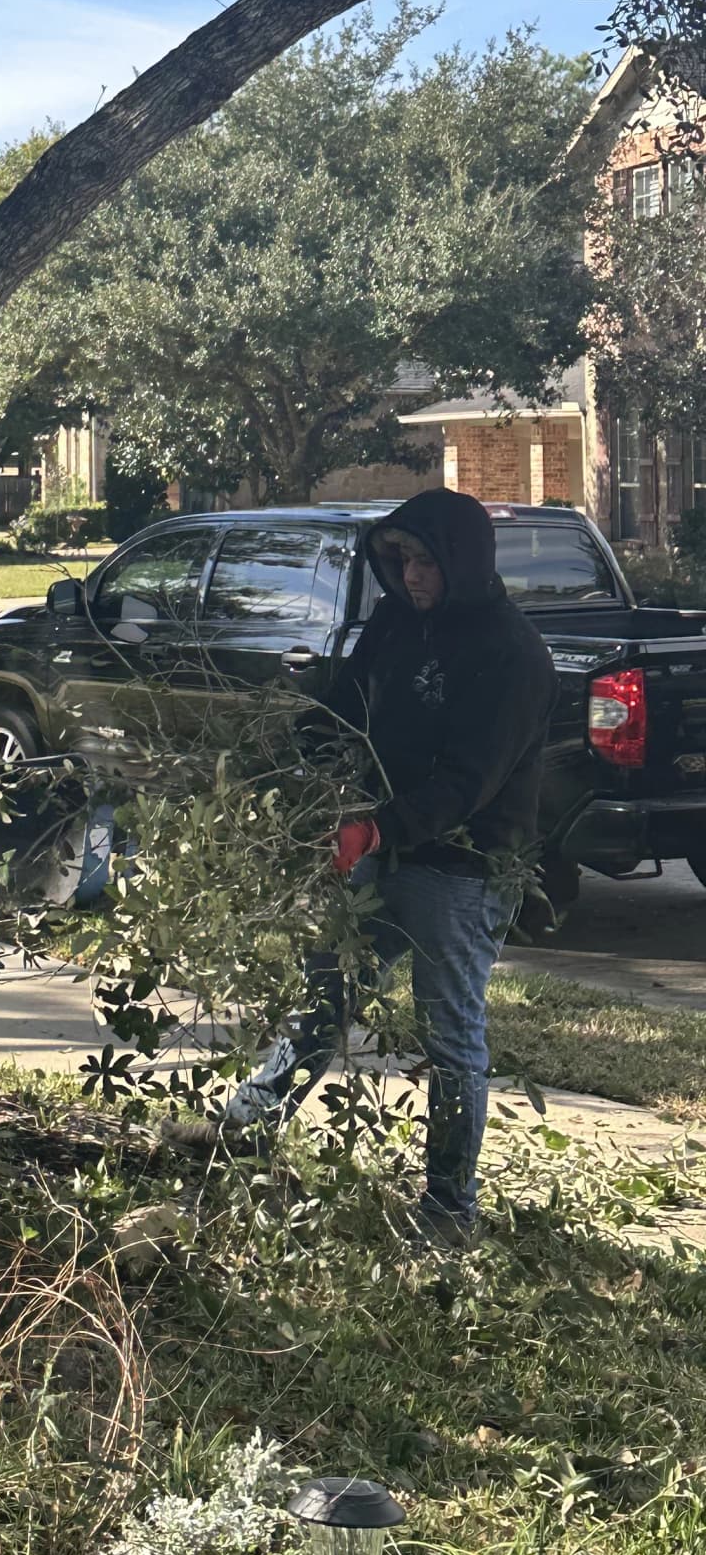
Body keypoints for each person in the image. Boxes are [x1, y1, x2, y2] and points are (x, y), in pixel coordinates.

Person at [223, 488, 555, 1245]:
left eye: (426, 561)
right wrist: (290, 769)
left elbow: (471, 783)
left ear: (462, 562)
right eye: (400, 559)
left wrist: (376, 831)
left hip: (462, 870)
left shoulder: (512, 656)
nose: (410, 576)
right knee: (324, 998)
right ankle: (242, 1133)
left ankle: (448, 1211)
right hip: (378, 845)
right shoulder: (396, 624)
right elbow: (346, 708)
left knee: (451, 1037)